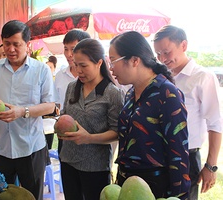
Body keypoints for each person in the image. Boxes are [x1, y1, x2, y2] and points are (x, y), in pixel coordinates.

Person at [0, 20, 57, 200]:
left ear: (27, 45)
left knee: (31, 196)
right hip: (0, 147)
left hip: (30, 148)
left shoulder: (41, 70)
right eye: (7, 44)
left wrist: (22, 111)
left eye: (16, 44)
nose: (11, 49)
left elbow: (50, 105)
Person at [109, 31, 190, 199]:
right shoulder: (131, 93)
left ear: (134, 60)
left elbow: (178, 153)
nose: (110, 68)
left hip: (154, 187)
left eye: (113, 61)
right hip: (127, 183)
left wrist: (178, 196)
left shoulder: (167, 94)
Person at [153, 25, 223, 200]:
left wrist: (211, 166)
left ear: (183, 45)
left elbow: (215, 123)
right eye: (158, 54)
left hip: (186, 156)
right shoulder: (159, 78)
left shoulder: (202, 77)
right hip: (158, 155)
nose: (162, 59)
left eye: (166, 52)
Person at [58, 38, 124, 200]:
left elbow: (117, 132)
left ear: (99, 63)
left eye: (83, 65)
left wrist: (88, 138)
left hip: (95, 166)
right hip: (68, 159)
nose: (78, 70)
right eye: (76, 64)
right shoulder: (72, 87)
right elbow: (65, 115)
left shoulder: (112, 93)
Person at [54, 29, 91, 154]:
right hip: (65, 138)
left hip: (90, 142)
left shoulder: (94, 78)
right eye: (65, 49)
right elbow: (58, 107)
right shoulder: (60, 75)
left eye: (73, 48)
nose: (69, 54)